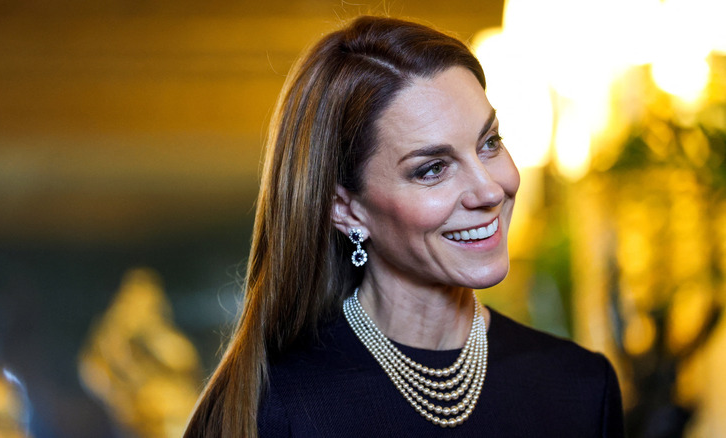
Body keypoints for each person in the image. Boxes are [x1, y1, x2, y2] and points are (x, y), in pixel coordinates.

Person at [184, 15, 624, 438]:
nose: (490, 190)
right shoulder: (272, 410)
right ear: (346, 209)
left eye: (489, 143)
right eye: (433, 168)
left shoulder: (581, 387)